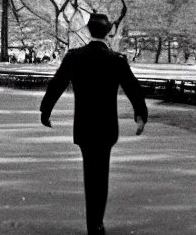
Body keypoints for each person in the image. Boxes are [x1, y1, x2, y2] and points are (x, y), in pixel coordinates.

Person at [40, 12, 148, 235]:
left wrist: (46, 110)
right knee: (102, 174)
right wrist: (140, 114)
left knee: (90, 173)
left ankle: (93, 224)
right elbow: (132, 88)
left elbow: (57, 83)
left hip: (85, 125)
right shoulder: (116, 60)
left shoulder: (74, 57)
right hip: (107, 126)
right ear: (109, 32)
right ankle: (97, 222)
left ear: (88, 31)